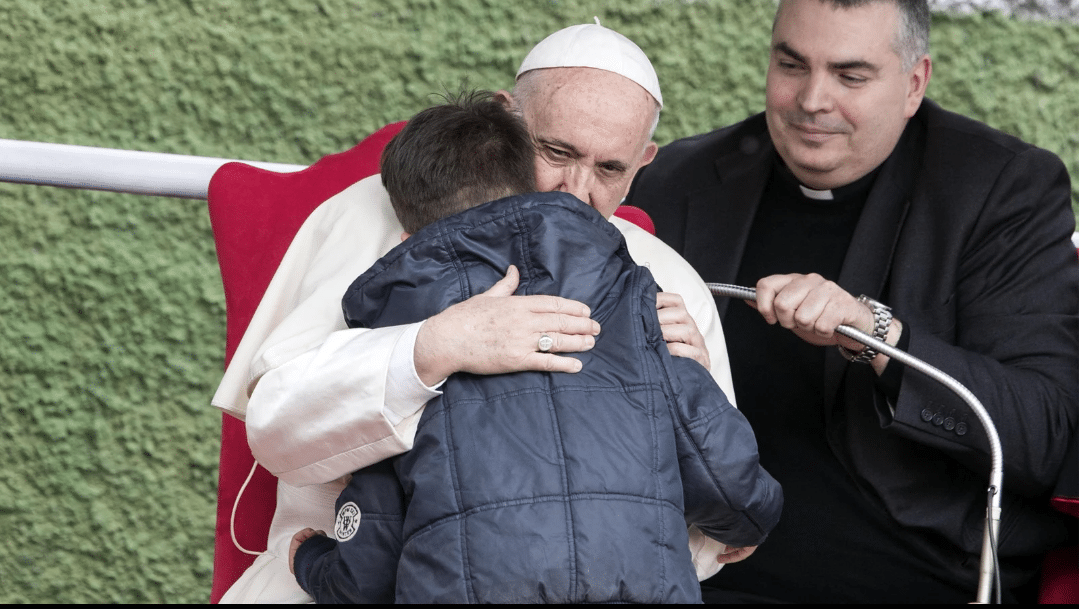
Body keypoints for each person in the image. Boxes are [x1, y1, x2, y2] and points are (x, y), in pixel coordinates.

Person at [213, 23, 743, 603]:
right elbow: (278, 428)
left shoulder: (668, 282)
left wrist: (687, 387)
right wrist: (432, 348)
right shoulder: (373, 215)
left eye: (610, 170)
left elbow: (703, 541)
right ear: (506, 118)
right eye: (556, 152)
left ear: (644, 162)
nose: (573, 192)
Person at [625, 0, 1078, 603]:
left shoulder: (1001, 191)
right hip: (690, 574)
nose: (812, 99)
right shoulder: (679, 177)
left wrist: (877, 334)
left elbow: (1043, 434)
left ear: (914, 83)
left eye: (850, 75)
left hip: (907, 577)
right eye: (792, 65)